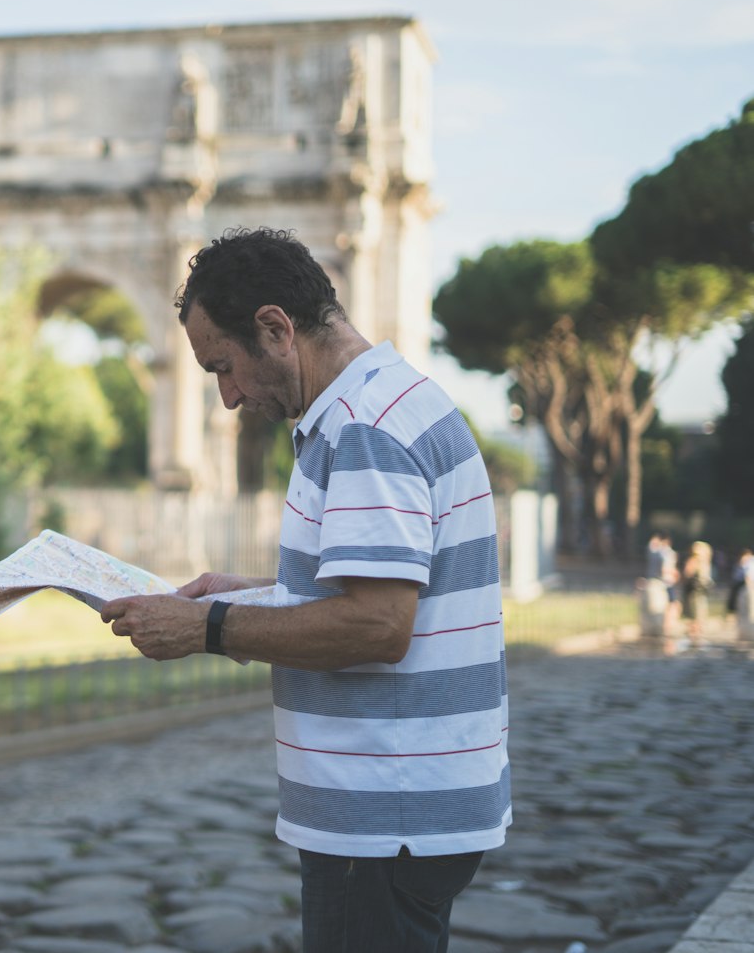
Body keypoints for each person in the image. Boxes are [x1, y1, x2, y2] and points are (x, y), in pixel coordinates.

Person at [101, 227, 507, 952]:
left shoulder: (361, 431)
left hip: (386, 815)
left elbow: (378, 626)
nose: (227, 397)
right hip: (407, 805)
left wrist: (208, 628)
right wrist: (255, 591)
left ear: (275, 328)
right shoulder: (389, 402)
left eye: (223, 367)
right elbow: (381, 587)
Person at [679, 541, 715, 647]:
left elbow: (686, 574)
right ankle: (694, 639)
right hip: (695, 592)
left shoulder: (702, 562)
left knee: (698, 616)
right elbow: (687, 574)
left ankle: (696, 638)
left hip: (699, 592)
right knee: (696, 617)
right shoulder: (696, 561)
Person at [728, 547, 753, 642]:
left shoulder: (749, 563)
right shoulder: (742, 565)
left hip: (747, 589)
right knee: (743, 613)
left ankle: (748, 635)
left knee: (748, 613)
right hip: (743, 589)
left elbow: (748, 577)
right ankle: (744, 634)